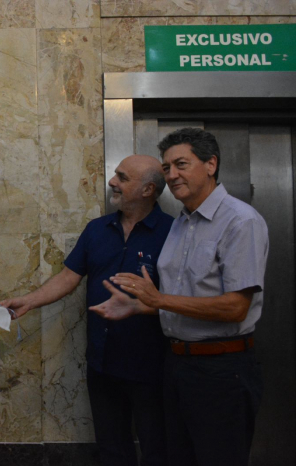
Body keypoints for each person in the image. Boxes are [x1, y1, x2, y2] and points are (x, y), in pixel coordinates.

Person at [91, 128, 268, 466]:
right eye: (167, 167)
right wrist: (139, 307)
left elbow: (236, 307)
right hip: (175, 365)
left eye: (181, 164)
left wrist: (158, 300)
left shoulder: (240, 221)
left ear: (211, 164)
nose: (172, 175)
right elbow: (185, 299)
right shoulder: (180, 224)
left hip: (220, 369)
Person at [0, 155, 172, 466]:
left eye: (122, 177)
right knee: (111, 449)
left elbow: (183, 298)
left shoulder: (173, 232)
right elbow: (69, 276)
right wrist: (29, 300)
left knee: (157, 449)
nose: (112, 182)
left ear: (148, 190)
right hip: (103, 363)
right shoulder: (97, 230)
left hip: (152, 366)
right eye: (115, 175)